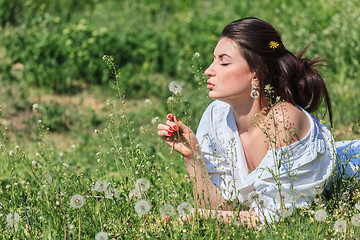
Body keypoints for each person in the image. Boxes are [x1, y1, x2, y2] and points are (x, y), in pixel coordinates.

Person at [157, 17, 360, 224]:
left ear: (257, 74)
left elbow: (276, 219)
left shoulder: (283, 121)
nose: (209, 70)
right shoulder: (216, 115)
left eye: (224, 62)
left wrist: (197, 216)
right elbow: (222, 210)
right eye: (213, 59)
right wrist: (193, 157)